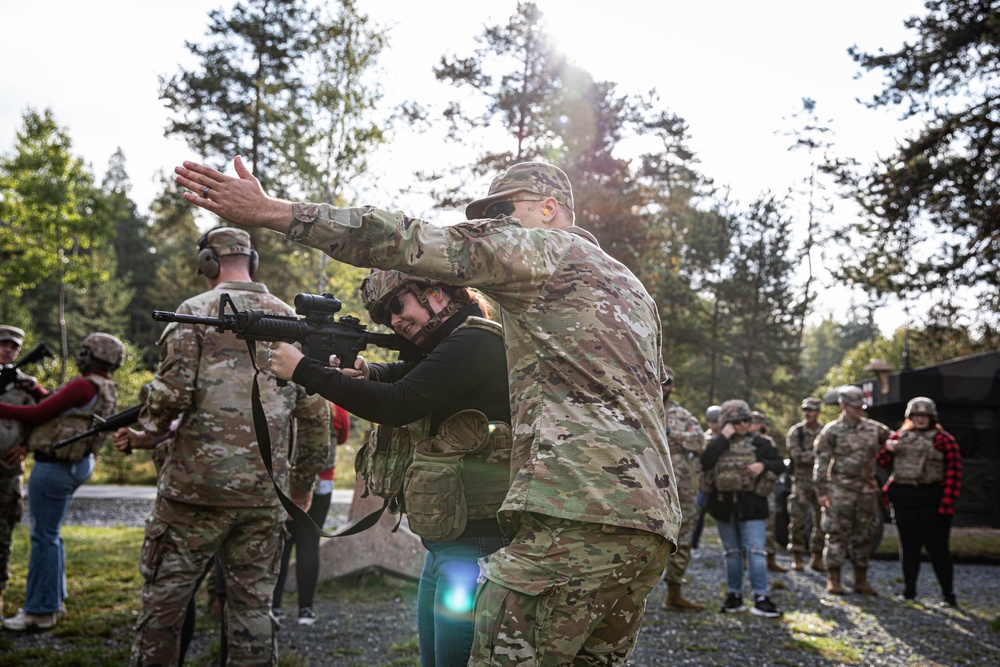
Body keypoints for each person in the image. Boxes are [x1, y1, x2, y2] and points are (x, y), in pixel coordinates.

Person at [175, 157, 681, 665]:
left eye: (504, 213)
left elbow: (404, 240)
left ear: (550, 209)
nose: (495, 227)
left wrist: (274, 212)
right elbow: (657, 390)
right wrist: (375, 373)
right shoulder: (629, 288)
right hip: (650, 523)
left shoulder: (544, 252)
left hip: (574, 513)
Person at [271, 269, 512, 666]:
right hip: (447, 543)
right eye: (385, 317)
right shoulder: (451, 344)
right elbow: (412, 376)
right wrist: (368, 372)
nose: (394, 322)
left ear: (435, 291)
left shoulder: (476, 339)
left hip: (477, 545)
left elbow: (401, 401)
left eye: (398, 305)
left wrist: (304, 370)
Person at [124, 226, 331, 666]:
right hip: (263, 497)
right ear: (252, 261)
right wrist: (303, 484)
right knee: (253, 607)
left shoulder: (194, 311)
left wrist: (148, 424)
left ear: (208, 262)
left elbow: (171, 396)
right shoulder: (294, 324)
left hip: (192, 495)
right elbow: (316, 417)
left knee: (165, 605)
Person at [1, 333, 123, 631]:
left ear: (98, 357)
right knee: (52, 534)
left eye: (85, 352)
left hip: (55, 467)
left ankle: (39, 612)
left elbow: (38, 413)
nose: (80, 358)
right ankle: (53, 598)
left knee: (43, 537)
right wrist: (38, 389)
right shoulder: (103, 386)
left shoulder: (83, 384)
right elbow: (60, 408)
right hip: (78, 464)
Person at [700, 399, 785, 618]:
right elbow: (705, 462)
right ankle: (734, 596)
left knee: (756, 551)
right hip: (723, 506)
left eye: (746, 420)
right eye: (738, 421)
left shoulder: (761, 443)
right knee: (732, 553)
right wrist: (724, 437)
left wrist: (762, 465)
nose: (744, 425)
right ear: (727, 422)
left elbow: (779, 463)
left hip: (752, 506)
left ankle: (761, 597)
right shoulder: (717, 443)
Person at [877, 397, 962, 605]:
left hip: (932, 499)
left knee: (938, 548)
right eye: (916, 415)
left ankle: (948, 595)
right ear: (910, 417)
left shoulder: (944, 440)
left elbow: (954, 473)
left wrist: (946, 504)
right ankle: (909, 592)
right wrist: (888, 449)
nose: (920, 419)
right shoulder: (899, 437)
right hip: (904, 498)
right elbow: (882, 462)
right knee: (909, 547)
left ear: (932, 418)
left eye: (924, 416)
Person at [272, 402, 351, 626]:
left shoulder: (288, 395)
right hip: (322, 481)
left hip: (286, 480)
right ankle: (305, 610)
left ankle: (275, 607)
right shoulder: (336, 402)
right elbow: (344, 436)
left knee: (283, 542)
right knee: (309, 542)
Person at [813, 385, 890, 596]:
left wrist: (892, 446)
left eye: (861, 407)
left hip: (866, 491)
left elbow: (895, 440)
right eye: (855, 407)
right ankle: (834, 579)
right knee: (836, 534)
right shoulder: (831, 431)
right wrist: (822, 492)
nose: (859, 411)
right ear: (843, 406)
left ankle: (860, 580)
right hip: (840, 491)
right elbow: (821, 463)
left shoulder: (874, 428)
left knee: (864, 535)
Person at [0, 325, 49, 620]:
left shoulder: (23, 385)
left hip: (6, 474)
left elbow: (44, 417)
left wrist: (27, 446)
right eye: (3, 343)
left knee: (2, 536)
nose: (8, 349)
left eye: (14, 346)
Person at [659, 367, 706, 612]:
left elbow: (699, 441)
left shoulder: (680, 414)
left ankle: (673, 592)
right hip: (641, 481)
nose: (663, 386)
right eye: (659, 380)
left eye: (667, 382)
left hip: (679, 484)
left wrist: (670, 433)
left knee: (683, 532)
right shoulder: (636, 406)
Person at [785, 397, 826, 571]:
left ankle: (817, 556)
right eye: (806, 410)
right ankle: (797, 555)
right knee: (797, 518)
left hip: (821, 482)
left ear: (818, 412)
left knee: (822, 520)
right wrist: (817, 455)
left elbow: (830, 454)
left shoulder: (825, 431)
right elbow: (797, 455)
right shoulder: (796, 432)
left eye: (812, 409)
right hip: (801, 480)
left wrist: (812, 456)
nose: (808, 413)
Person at [749, 411, 789, 574]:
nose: (751, 425)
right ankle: (746, 558)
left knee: (769, 524)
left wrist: (763, 465)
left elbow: (778, 464)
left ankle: (770, 559)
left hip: (765, 489)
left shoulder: (767, 442)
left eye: (754, 422)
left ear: (760, 424)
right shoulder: (740, 441)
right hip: (746, 489)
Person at [690, 405, 721, 550]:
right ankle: (693, 544)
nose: (712, 424)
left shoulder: (727, 438)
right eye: (710, 421)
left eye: (715, 421)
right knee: (698, 512)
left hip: (723, 482)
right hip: (706, 483)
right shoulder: (704, 438)